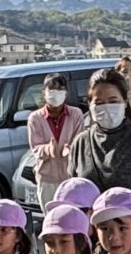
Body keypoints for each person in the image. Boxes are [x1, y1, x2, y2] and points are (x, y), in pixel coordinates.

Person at [67, 67, 131, 230]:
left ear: (124, 102)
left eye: (113, 101)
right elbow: (74, 189)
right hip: (93, 236)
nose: (107, 107)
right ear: (90, 105)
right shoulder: (80, 144)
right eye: (99, 103)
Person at [24, 71, 85, 208]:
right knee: (51, 220)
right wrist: (48, 149)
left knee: (73, 218)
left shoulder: (75, 114)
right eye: (51, 89)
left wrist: (70, 149)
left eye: (59, 89)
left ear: (66, 93)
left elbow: (79, 141)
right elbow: (35, 147)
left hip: (70, 177)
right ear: (44, 92)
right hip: (47, 179)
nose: (55, 93)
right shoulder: (35, 118)